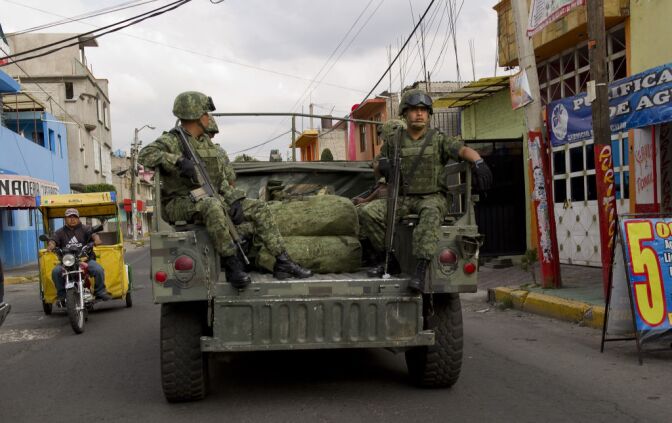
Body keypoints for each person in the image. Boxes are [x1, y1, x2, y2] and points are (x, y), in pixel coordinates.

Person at [138, 91, 312, 289]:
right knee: (212, 206)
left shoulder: (205, 143)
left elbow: (219, 181)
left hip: (208, 196)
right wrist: (176, 160)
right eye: (206, 113)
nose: (209, 118)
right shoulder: (173, 140)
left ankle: (283, 261)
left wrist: (235, 200)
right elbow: (145, 155)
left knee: (258, 208)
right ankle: (232, 264)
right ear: (195, 115)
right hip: (180, 202)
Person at [359, 88, 493, 292]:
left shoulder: (437, 139)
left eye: (423, 110)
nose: (419, 113)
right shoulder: (394, 141)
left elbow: (463, 150)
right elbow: (378, 170)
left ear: (429, 114)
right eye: (414, 109)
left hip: (433, 196)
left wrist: (479, 162)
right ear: (405, 113)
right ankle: (391, 259)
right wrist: (382, 168)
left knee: (430, 214)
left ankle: (421, 269)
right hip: (403, 198)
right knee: (369, 213)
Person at [47, 208, 111, 303]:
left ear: (78, 218)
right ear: (65, 219)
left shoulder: (86, 229)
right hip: (67, 263)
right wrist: (51, 246)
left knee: (98, 269)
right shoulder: (60, 232)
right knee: (55, 272)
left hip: (85, 260)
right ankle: (62, 295)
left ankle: (100, 291)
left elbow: (94, 234)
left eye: (74, 217)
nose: (72, 219)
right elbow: (53, 241)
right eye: (69, 217)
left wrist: (97, 240)